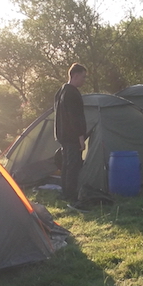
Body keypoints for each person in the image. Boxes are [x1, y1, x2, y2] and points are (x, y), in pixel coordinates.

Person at [54, 63, 88, 207]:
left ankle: (65, 192)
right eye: (83, 77)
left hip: (62, 135)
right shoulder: (73, 93)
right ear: (75, 76)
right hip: (72, 136)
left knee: (66, 165)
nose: (84, 80)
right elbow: (75, 118)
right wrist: (81, 137)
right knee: (73, 165)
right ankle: (72, 195)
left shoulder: (61, 91)